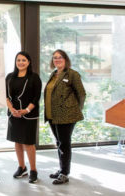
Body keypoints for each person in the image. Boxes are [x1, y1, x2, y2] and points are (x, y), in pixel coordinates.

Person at [44, 49, 86, 185]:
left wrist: (74, 109)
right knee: (59, 143)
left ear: (66, 59)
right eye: (55, 57)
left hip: (67, 115)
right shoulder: (53, 74)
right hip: (52, 114)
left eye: (60, 57)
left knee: (64, 144)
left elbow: (81, 94)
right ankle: (62, 169)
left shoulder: (72, 74)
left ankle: (64, 173)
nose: (57, 59)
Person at [6, 51, 42, 183]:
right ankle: (22, 167)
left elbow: (36, 97)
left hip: (29, 114)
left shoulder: (34, 77)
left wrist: (26, 110)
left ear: (29, 62)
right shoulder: (9, 77)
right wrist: (12, 109)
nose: (20, 62)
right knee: (17, 141)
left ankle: (33, 170)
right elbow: (5, 96)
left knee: (28, 143)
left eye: (23, 60)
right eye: (18, 60)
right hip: (13, 114)